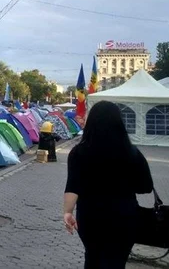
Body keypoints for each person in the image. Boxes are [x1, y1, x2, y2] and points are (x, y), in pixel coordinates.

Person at [63, 101, 154, 268]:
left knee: (92, 257)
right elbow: (146, 187)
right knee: (116, 261)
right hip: (124, 216)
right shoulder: (132, 152)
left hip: (90, 218)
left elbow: (73, 186)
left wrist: (67, 212)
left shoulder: (79, 152)